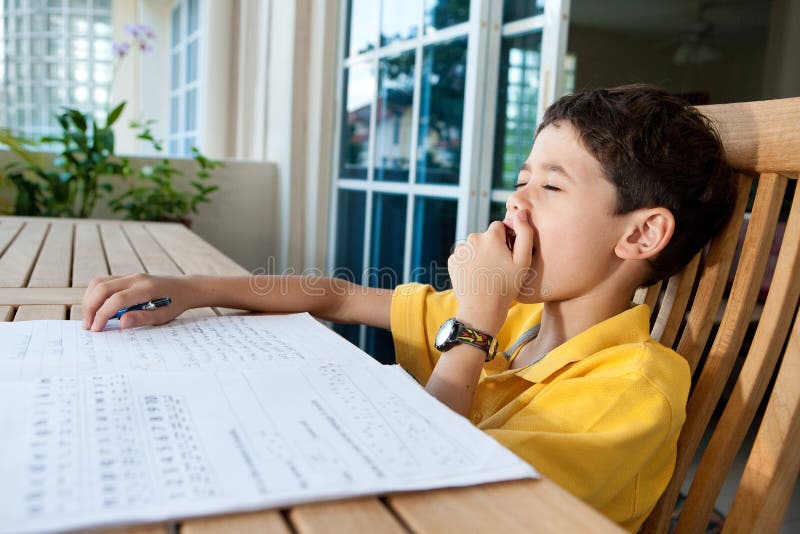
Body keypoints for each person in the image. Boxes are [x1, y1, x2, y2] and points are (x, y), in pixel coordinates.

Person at [81, 84, 736, 531]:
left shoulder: (629, 391)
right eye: (520, 180)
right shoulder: (516, 318)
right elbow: (335, 295)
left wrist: (472, 329)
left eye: (552, 186)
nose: (517, 204)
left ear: (640, 234)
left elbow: (427, 480)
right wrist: (196, 288)